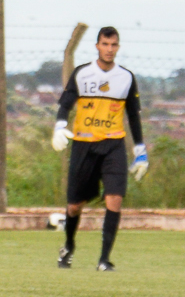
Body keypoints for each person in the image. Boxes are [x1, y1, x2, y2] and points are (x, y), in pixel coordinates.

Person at [52, 26, 148, 271]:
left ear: (118, 47)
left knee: (114, 198)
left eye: (114, 45)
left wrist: (140, 149)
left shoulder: (126, 78)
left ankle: (104, 260)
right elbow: (65, 105)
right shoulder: (82, 74)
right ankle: (69, 246)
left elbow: (134, 116)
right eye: (105, 44)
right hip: (84, 145)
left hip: (113, 145)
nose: (109, 49)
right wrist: (60, 126)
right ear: (97, 46)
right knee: (75, 205)